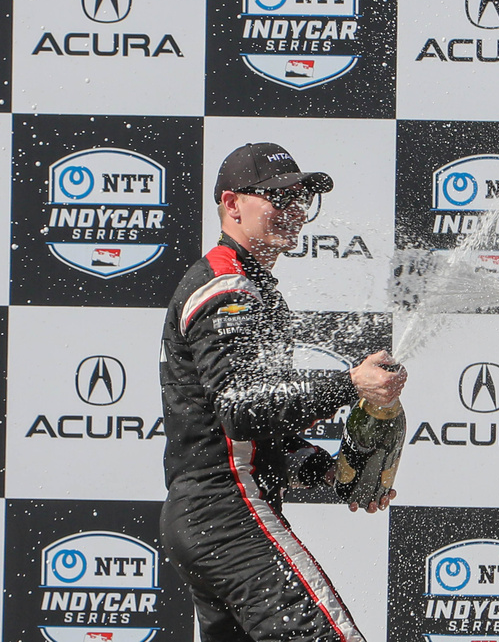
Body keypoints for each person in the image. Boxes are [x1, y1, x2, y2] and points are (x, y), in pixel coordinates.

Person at [159, 142, 407, 642]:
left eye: (300, 200)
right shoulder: (227, 288)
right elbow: (240, 410)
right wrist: (350, 382)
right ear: (232, 204)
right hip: (228, 515)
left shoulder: (250, 284)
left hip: (208, 518)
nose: (294, 212)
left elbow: (255, 432)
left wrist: (333, 474)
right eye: (279, 199)